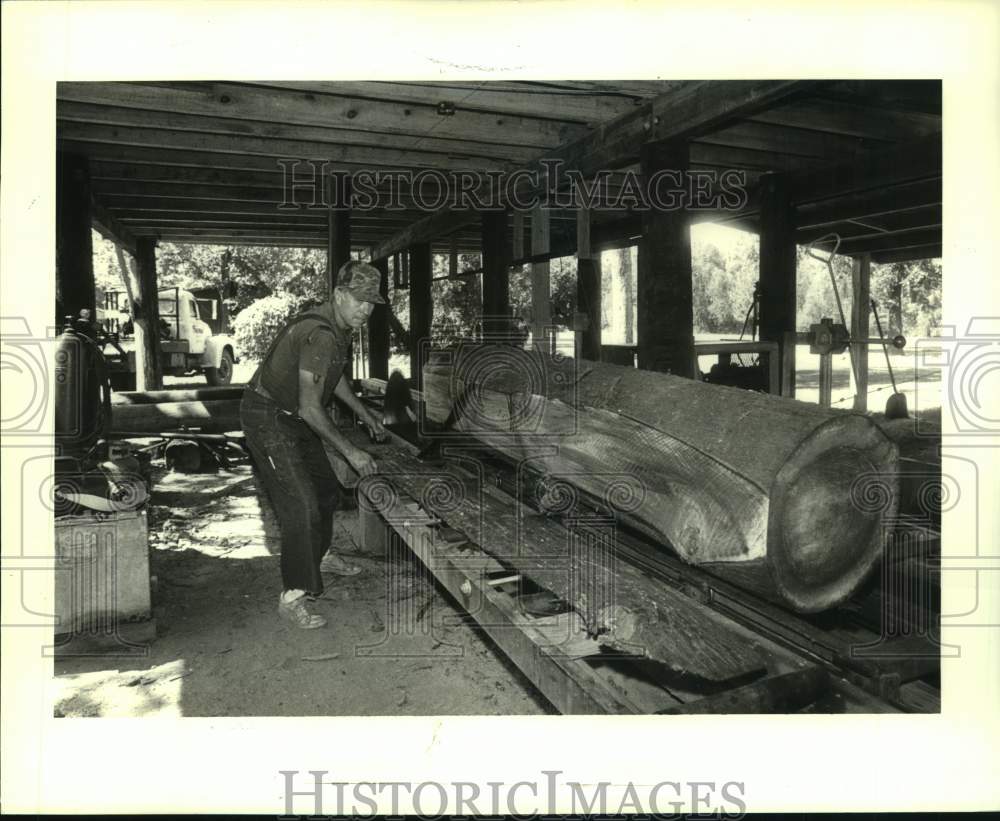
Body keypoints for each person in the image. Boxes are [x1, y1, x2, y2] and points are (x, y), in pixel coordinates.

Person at [240, 260, 388, 629]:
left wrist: (364, 415)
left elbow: (331, 380)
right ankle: (293, 596)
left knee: (325, 490)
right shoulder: (320, 333)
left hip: (294, 414)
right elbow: (310, 406)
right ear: (339, 295)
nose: (365, 310)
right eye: (359, 301)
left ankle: (319, 555)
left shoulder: (336, 326)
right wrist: (351, 452)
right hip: (269, 416)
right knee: (300, 502)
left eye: (371, 303)